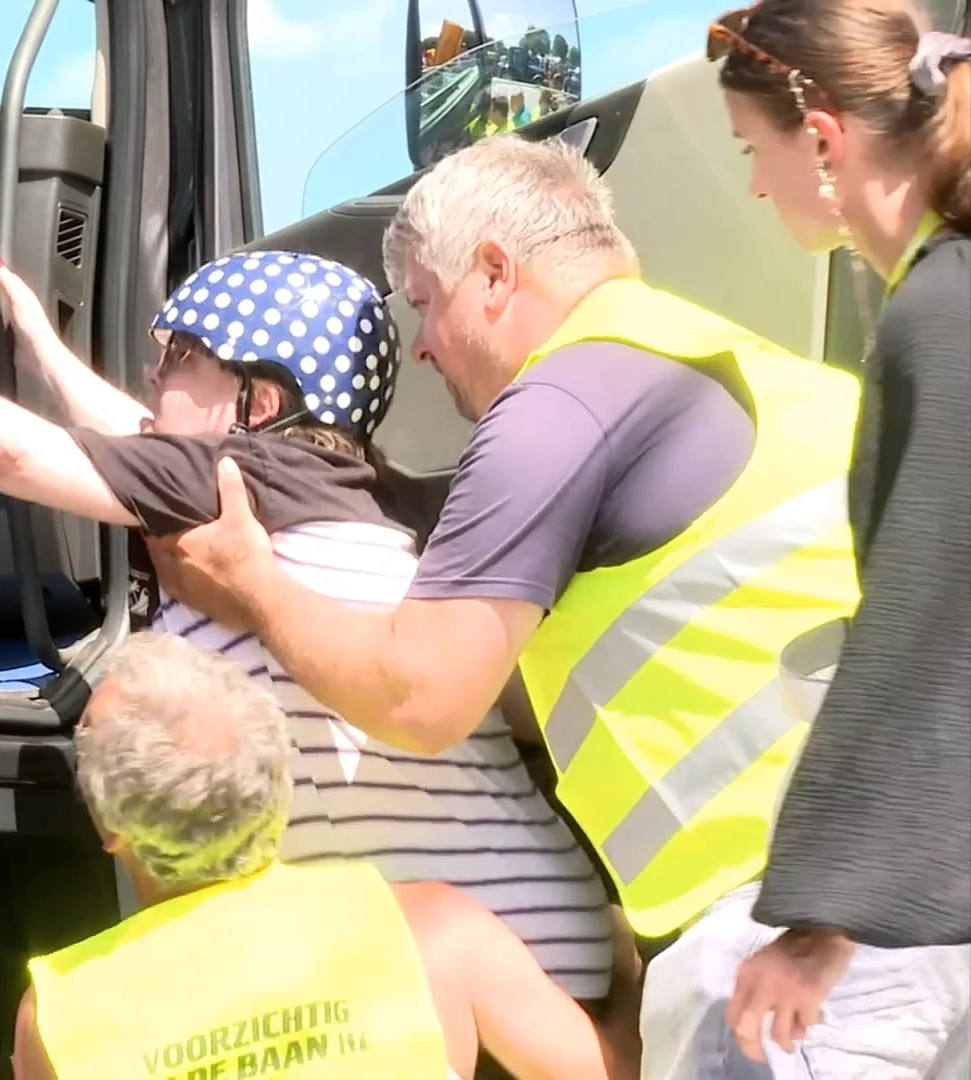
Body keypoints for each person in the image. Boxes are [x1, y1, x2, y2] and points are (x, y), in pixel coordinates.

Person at [132, 134, 940, 1079]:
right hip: (917, 895)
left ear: (494, 273)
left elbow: (421, 698)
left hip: (793, 940)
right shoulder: (778, 377)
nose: (423, 343)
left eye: (427, 305)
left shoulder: (559, 406)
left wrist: (254, 584)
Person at [0, 252, 620, 1013]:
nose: (155, 376)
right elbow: (139, 438)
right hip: (547, 939)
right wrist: (41, 347)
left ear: (258, 406)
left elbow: (10, 451)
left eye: (183, 357)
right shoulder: (382, 495)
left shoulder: (230, 482)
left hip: (437, 972)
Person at [708, 0, 971, 1068]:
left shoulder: (939, 315)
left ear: (822, 142)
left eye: (750, 152)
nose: (755, 186)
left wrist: (824, 923)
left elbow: (935, 622)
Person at [12, 630, 632, 1080]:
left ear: (108, 826)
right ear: (277, 783)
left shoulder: (58, 1013)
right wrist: (629, 964)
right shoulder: (434, 933)